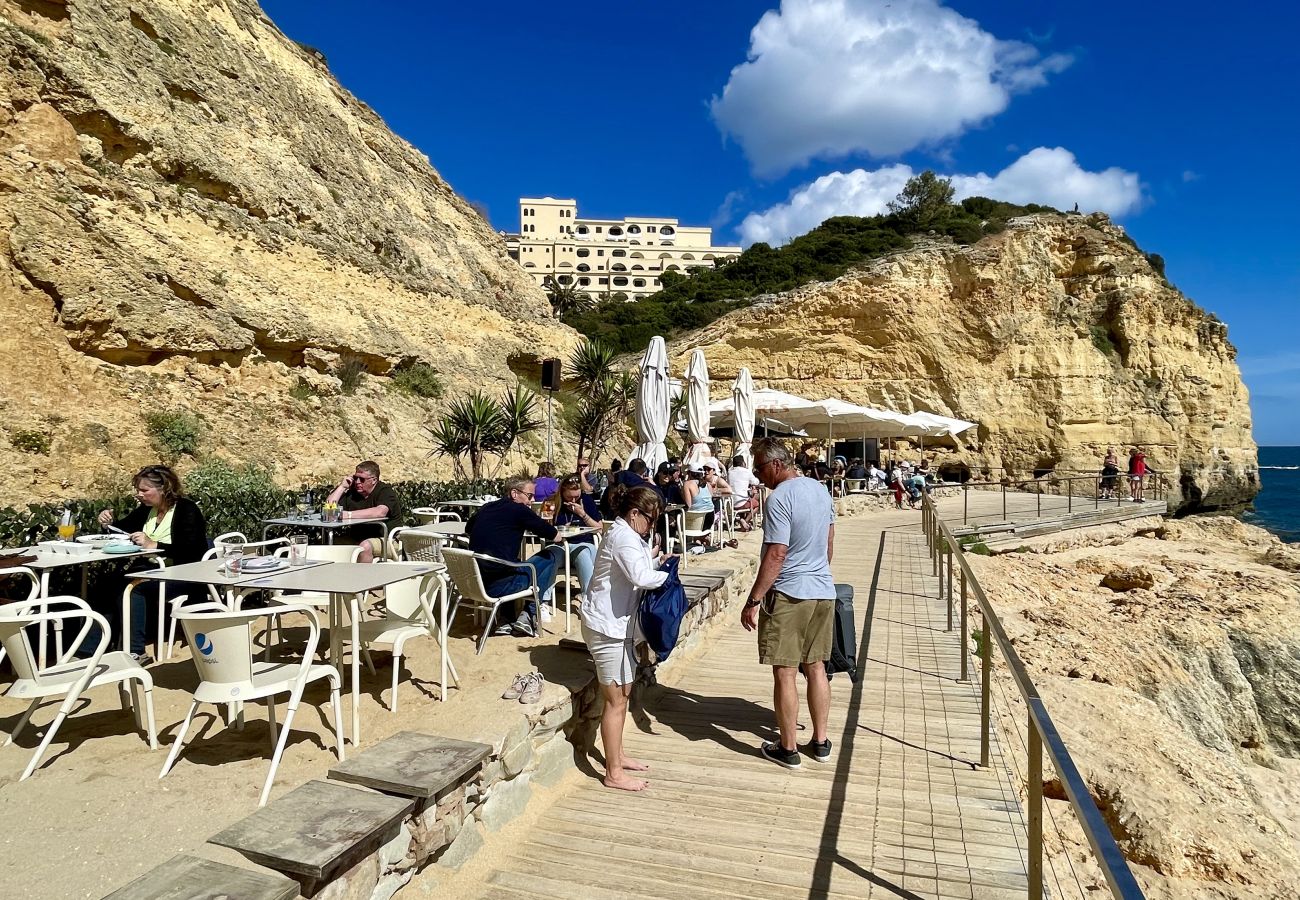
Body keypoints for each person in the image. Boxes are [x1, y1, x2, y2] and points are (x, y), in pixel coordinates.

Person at [741, 437, 836, 769]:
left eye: (759, 468)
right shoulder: (820, 490)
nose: (757, 476)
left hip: (790, 593)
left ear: (776, 464)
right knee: (816, 667)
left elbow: (777, 553)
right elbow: (828, 542)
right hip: (822, 589)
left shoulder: (779, 498)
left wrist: (753, 599)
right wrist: (818, 572)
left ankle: (788, 748)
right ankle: (821, 742)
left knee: (784, 671)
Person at [582, 484, 668, 792]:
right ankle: (614, 772)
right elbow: (640, 577)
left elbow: (641, 569)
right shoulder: (623, 538)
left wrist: (660, 564)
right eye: (651, 518)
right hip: (608, 629)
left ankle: (616, 756)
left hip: (615, 626)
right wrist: (669, 576)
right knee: (616, 701)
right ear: (634, 514)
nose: (652, 525)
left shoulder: (627, 536)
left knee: (623, 695)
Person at [93, 465, 208, 663]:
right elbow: (121, 530)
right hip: (152, 570)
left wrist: (154, 544)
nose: (139, 495)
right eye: (138, 490)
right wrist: (106, 522)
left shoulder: (187, 509)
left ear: (164, 488)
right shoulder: (147, 511)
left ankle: (136, 652)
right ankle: (92, 650)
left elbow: (193, 550)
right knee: (105, 583)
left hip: (182, 573)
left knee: (134, 588)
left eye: (144, 490)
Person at [467, 477, 566, 636]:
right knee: (550, 555)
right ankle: (528, 614)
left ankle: (506, 620)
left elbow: (468, 527)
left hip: (473, 583)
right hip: (498, 587)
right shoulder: (520, 510)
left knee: (512, 564)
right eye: (529, 496)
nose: (532, 500)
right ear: (514, 493)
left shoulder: (487, 507)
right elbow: (553, 535)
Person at [325, 461, 401, 563]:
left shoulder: (384, 491)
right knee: (330, 543)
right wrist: (342, 487)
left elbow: (380, 512)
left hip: (388, 539)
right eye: (355, 478)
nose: (357, 482)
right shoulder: (352, 492)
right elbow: (329, 508)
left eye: (362, 479)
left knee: (365, 547)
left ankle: (363, 578)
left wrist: (349, 515)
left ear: (374, 480)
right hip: (357, 538)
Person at [552, 475, 602, 595]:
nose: (573, 501)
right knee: (550, 557)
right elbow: (546, 528)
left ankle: (588, 597)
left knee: (583, 552)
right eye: (569, 497)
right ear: (562, 492)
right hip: (560, 545)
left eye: (576, 497)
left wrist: (582, 514)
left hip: (583, 542)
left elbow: (599, 529)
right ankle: (543, 601)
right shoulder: (552, 503)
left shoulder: (586, 501)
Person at [681, 465, 714, 548]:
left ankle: (698, 539)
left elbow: (689, 504)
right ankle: (701, 538)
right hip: (710, 516)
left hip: (696, 520)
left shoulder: (687, 484)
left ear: (689, 473)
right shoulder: (708, 484)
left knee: (680, 515)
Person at [728, 455, 761, 531]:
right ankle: (745, 522)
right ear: (743, 463)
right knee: (756, 505)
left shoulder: (729, 472)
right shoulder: (746, 471)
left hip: (731, 502)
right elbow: (756, 482)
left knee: (746, 500)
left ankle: (742, 520)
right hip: (742, 501)